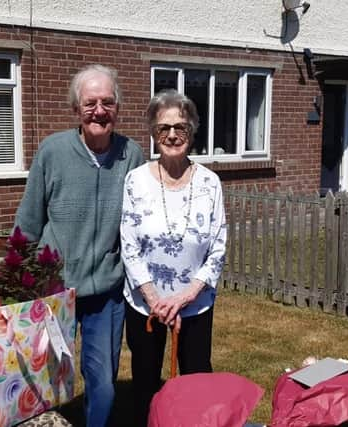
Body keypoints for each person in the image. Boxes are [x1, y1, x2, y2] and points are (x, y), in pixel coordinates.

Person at [14, 64, 144, 427]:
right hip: (54, 288)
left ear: (117, 107)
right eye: (90, 103)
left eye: (107, 102)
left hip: (106, 291)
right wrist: (16, 277)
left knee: (103, 385)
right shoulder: (52, 151)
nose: (99, 111)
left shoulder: (132, 155)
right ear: (76, 108)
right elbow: (28, 220)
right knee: (43, 378)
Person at [120, 89, 227, 426]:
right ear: (153, 133)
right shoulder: (136, 180)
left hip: (195, 304)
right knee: (146, 384)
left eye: (180, 127)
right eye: (163, 127)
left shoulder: (211, 182)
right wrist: (155, 298)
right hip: (144, 304)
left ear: (192, 132)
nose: (171, 135)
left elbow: (219, 245)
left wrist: (185, 297)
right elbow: (129, 244)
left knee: (197, 381)